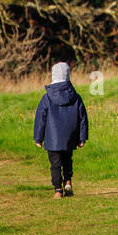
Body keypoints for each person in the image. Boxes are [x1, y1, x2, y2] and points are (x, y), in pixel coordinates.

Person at [33, 61, 88, 198]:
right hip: (70, 136)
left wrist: (38, 138)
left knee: (55, 164)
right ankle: (68, 181)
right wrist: (82, 137)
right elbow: (82, 118)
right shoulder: (76, 97)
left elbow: (41, 118)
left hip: (52, 138)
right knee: (67, 159)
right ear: (68, 75)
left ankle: (58, 189)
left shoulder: (46, 97)